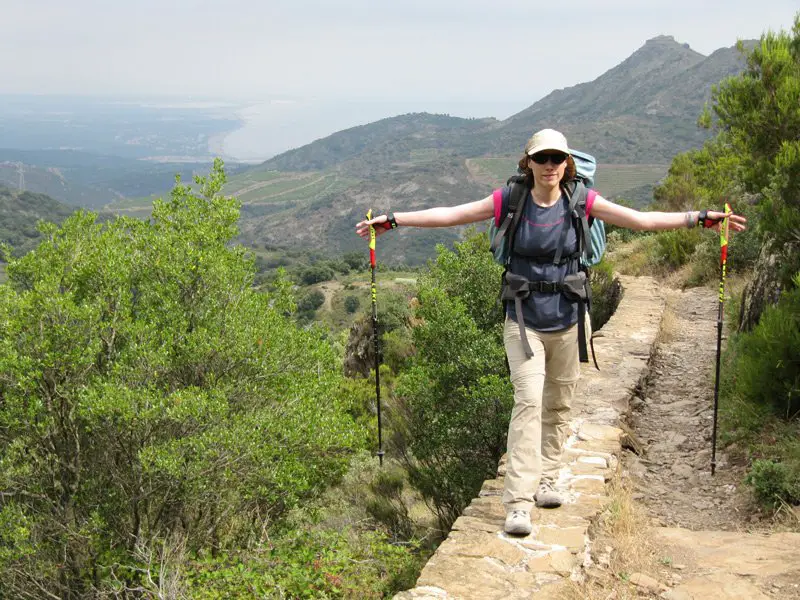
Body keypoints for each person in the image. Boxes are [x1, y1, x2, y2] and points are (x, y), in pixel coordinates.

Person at [355, 128, 746, 536]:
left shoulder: (581, 200)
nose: (549, 166)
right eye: (541, 159)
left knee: (559, 404)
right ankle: (519, 503)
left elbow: (641, 221)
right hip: (523, 320)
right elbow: (452, 213)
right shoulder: (511, 199)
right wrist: (395, 220)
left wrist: (698, 218)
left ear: (567, 163)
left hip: (570, 318)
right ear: (528, 162)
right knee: (527, 404)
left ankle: (549, 477)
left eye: (557, 159)